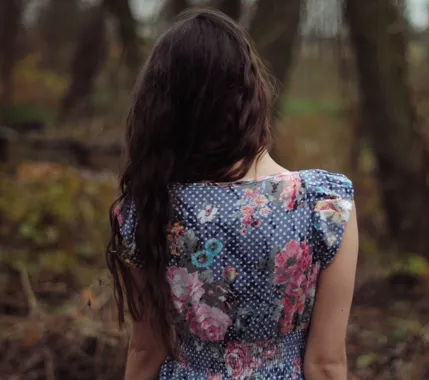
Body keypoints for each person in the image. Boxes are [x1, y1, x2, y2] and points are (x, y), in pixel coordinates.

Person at [106, 9, 358, 380]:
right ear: (252, 96)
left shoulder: (146, 208)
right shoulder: (324, 207)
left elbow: (146, 350)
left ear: (161, 110)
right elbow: (325, 364)